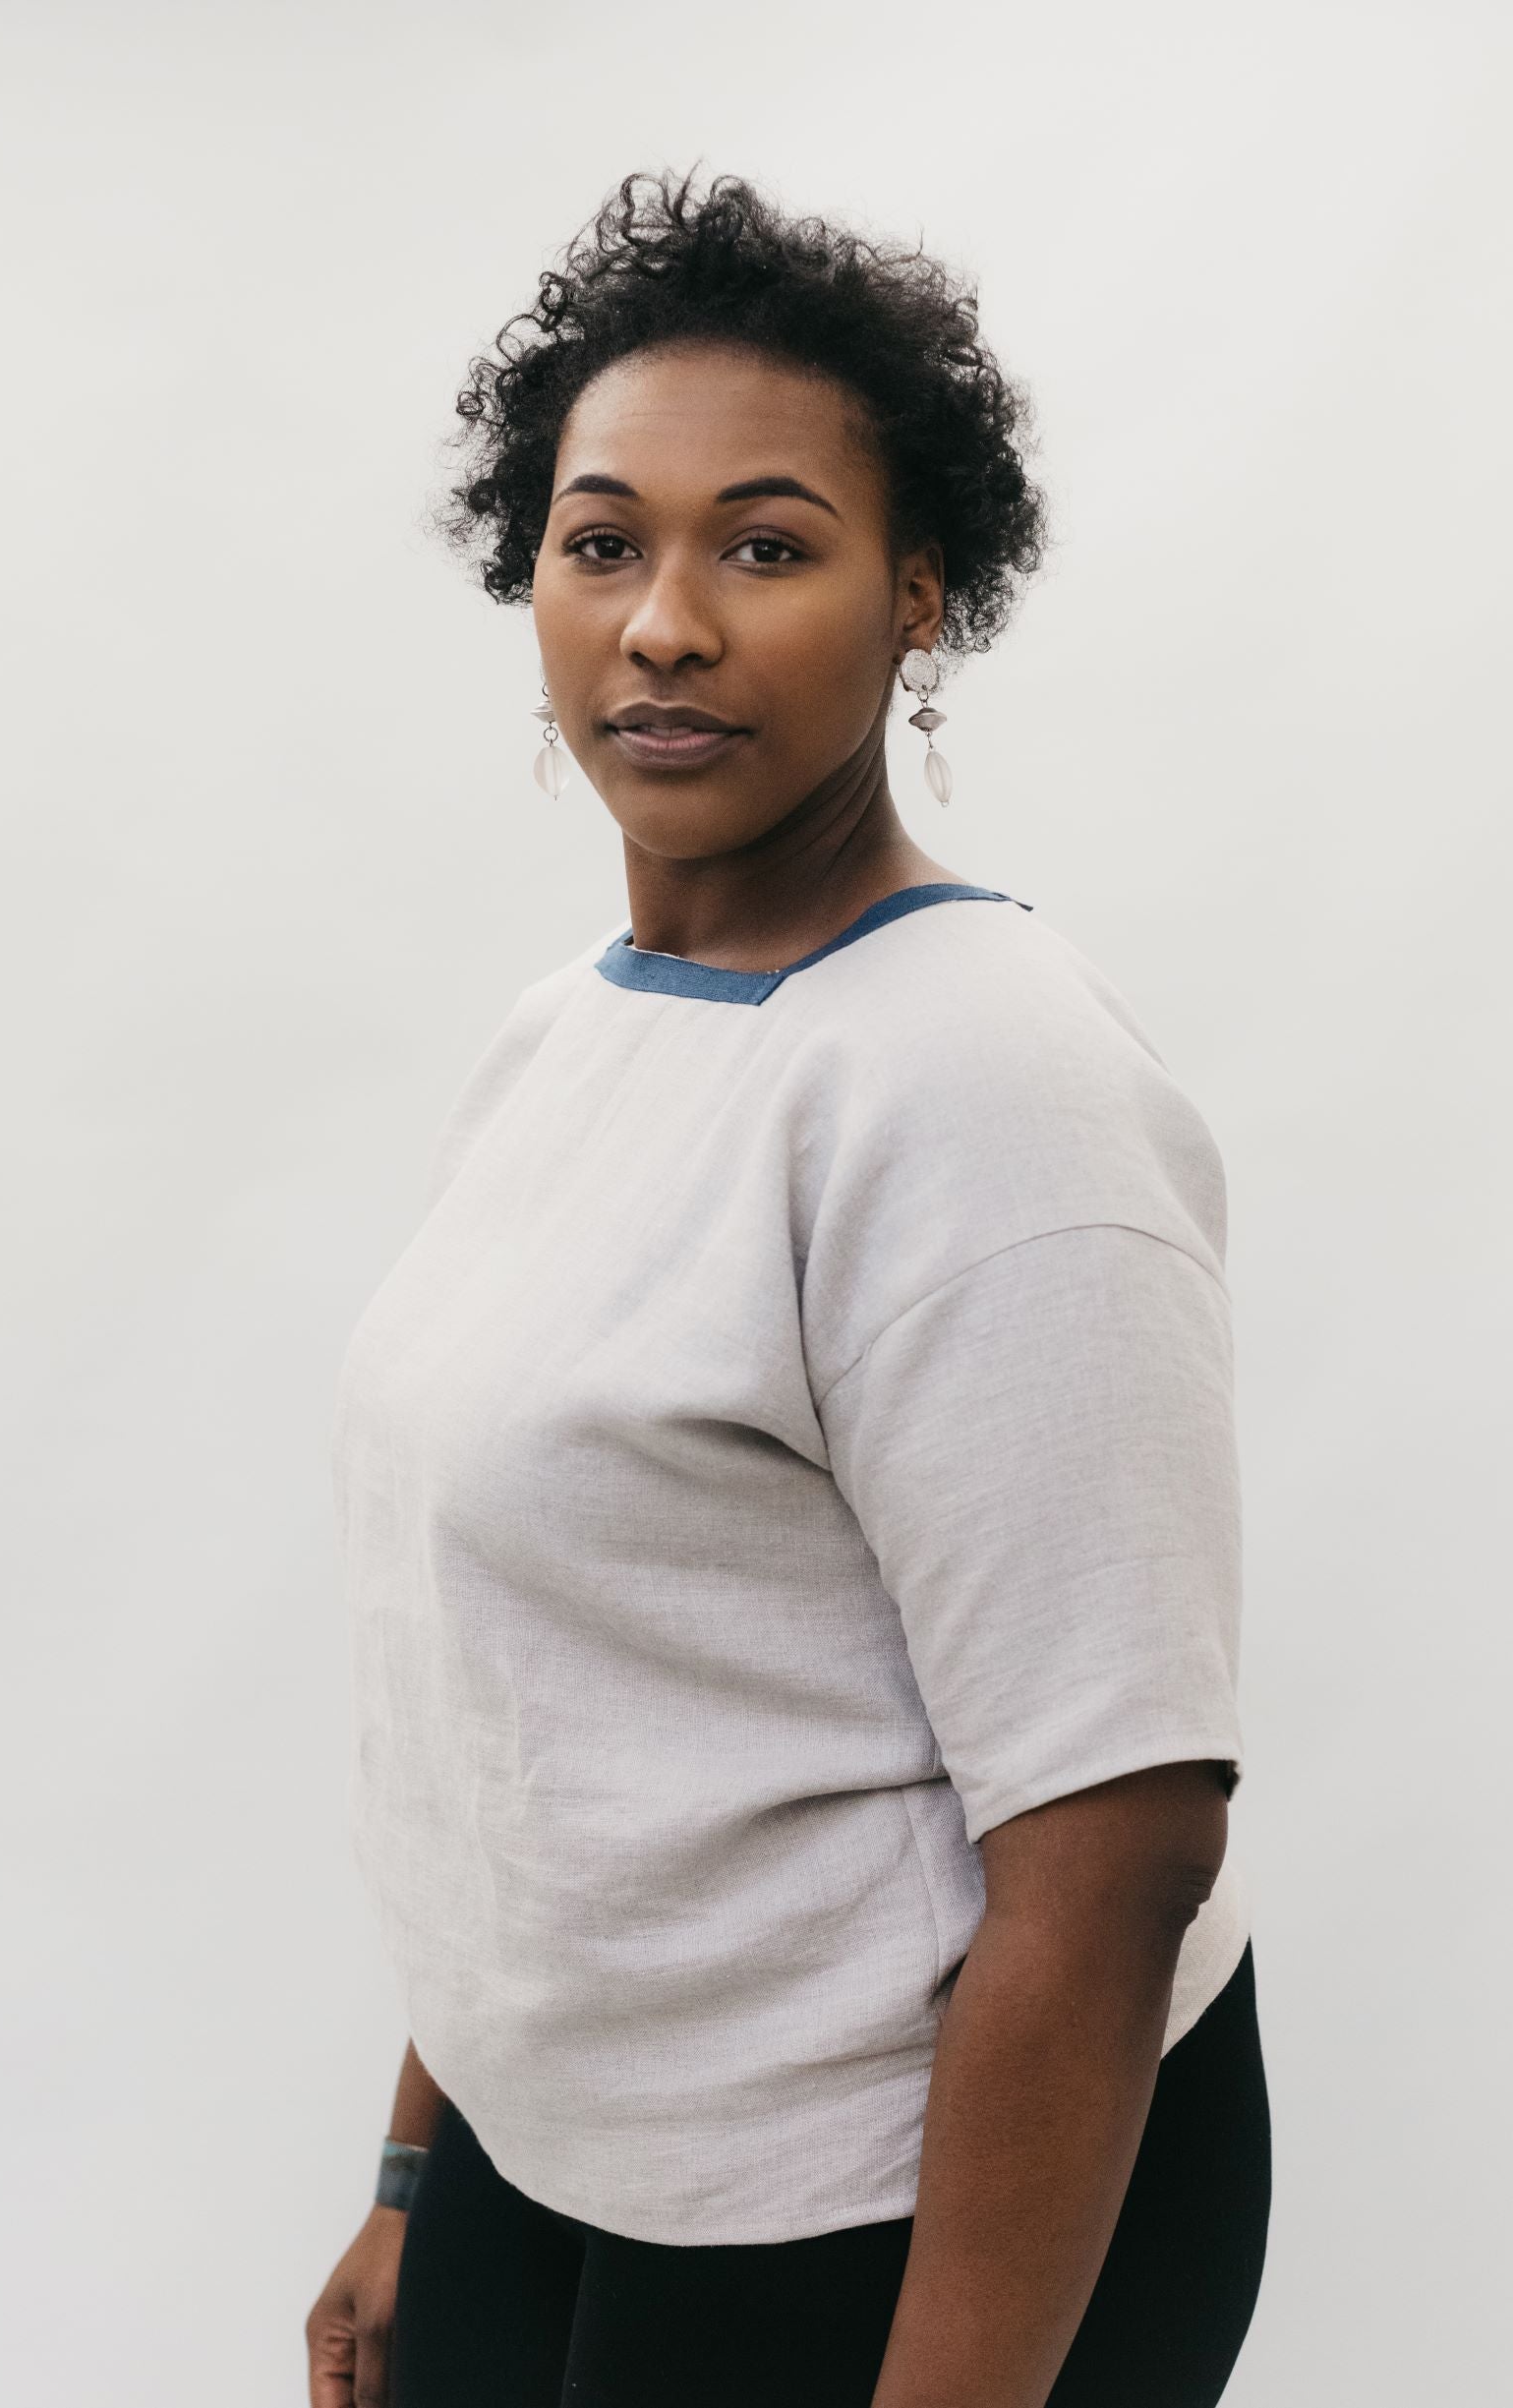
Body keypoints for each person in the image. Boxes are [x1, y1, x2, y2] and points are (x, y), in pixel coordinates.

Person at [305, 169, 1271, 2408]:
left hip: (896, 2191)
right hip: (581, 2145)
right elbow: (550, 1682)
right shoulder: (579, 1024)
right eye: (601, 539)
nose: (661, 621)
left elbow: (1114, 1851)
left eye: (765, 543)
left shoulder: (986, 1089)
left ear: (916, 598)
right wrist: (419, 2174)